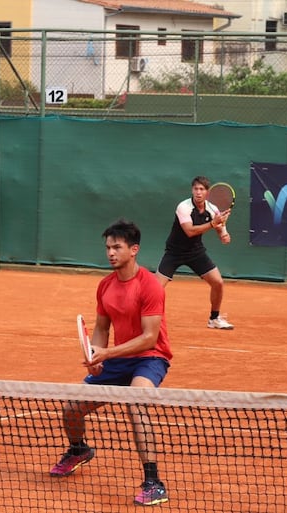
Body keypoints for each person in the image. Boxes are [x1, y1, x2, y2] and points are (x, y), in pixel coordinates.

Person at [50, 218, 172, 507]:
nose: (110, 253)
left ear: (134, 250)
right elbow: (102, 328)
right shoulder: (105, 286)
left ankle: (153, 481)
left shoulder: (151, 286)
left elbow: (149, 338)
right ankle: (78, 449)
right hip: (117, 358)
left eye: (117, 247)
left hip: (149, 358)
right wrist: (96, 354)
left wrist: (107, 354)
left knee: (136, 402)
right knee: (72, 409)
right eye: (108, 247)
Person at [155, 175, 234, 329]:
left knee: (218, 282)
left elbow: (219, 227)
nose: (198, 192)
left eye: (202, 189)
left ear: (207, 193)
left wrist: (223, 234)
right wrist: (213, 223)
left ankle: (214, 318)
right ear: (192, 190)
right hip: (174, 252)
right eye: (196, 189)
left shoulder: (212, 209)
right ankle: (145, 318)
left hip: (195, 252)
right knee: (155, 289)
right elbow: (190, 231)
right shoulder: (183, 207)